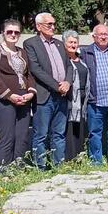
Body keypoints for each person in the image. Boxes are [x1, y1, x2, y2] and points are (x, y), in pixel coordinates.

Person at [23, 12, 74, 169]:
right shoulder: (31, 43)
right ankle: (41, 167)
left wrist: (67, 82)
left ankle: (59, 165)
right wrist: (57, 86)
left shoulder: (59, 44)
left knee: (59, 134)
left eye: (53, 24)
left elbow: (69, 66)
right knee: (41, 134)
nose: (53, 27)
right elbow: (36, 69)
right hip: (45, 96)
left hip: (62, 96)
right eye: (49, 24)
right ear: (38, 26)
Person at [0, 20, 36, 166]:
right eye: (9, 32)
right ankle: (4, 167)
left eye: (16, 32)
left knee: (22, 136)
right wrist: (9, 95)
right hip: (4, 101)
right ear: (3, 33)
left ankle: (18, 166)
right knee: (8, 136)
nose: (13, 35)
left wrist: (31, 93)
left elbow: (29, 75)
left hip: (24, 100)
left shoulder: (22, 52)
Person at [80, 24, 108, 165]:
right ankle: (96, 161)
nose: (104, 36)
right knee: (95, 133)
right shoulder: (85, 52)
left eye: (106, 34)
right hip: (95, 101)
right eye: (100, 34)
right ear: (94, 36)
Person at [62, 30, 89, 162]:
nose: (73, 44)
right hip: (69, 101)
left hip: (83, 102)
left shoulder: (82, 59)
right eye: (70, 42)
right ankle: (70, 159)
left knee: (80, 129)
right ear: (64, 43)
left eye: (75, 42)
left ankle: (79, 157)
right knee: (70, 130)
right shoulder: (63, 60)